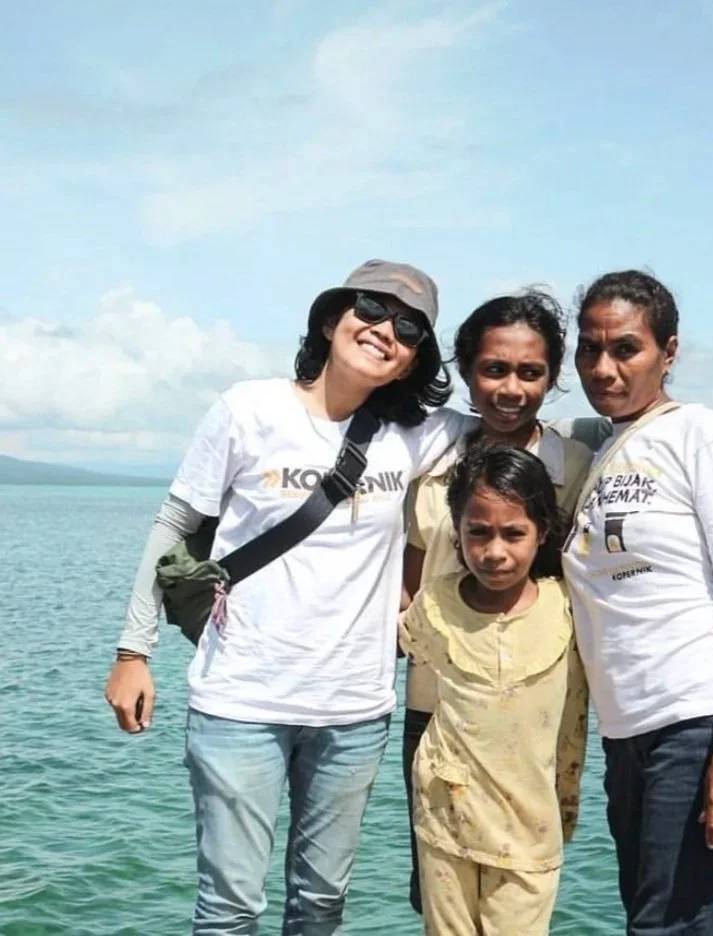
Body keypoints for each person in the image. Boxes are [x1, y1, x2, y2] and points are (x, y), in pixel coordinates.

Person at [103, 260, 470, 936]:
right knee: (230, 908)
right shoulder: (249, 409)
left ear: (414, 359)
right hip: (240, 703)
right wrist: (133, 651)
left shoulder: (417, 434)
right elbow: (174, 526)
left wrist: (617, 429)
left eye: (409, 327)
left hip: (354, 713)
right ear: (331, 319)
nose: (385, 329)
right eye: (370, 308)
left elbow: (519, 427)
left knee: (321, 904)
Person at [562, 270, 713, 936]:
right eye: (590, 349)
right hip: (628, 733)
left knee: (667, 928)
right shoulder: (600, 448)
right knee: (652, 919)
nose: (604, 367)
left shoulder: (701, 435)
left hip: (700, 721)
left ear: (669, 351)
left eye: (626, 348)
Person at [398, 290, 594, 913]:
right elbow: (411, 563)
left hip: (528, 712)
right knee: (438, 888)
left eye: (530, 373)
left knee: (518, 888)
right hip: (435, 698)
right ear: (466, 371)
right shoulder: (431, 457)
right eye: (494, 369)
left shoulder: (577, 467)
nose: (511, 389)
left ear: (553, 377)